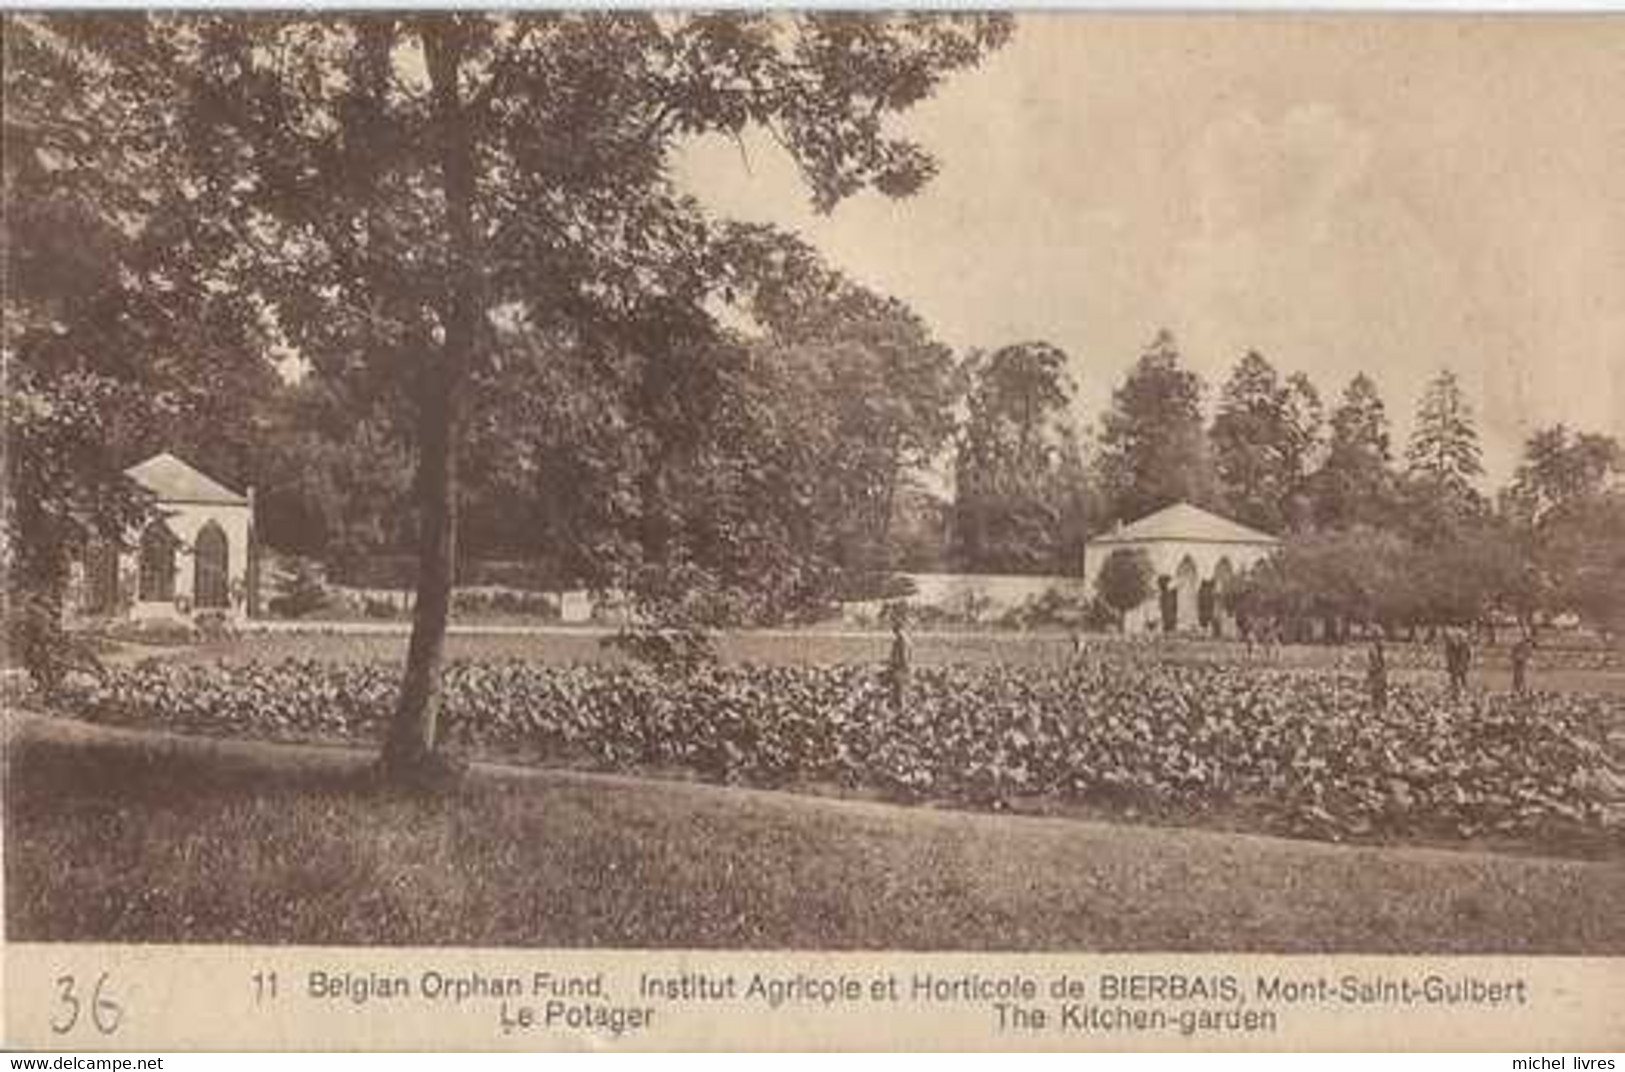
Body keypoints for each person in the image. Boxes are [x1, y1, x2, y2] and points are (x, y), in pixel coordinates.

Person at [885, 610, 912, 712]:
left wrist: (899, 666)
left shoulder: (901, 639)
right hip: (902, 667)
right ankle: (900, 707)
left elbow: (904, 656)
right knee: (899, 689)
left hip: (900, 668)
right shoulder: (905, 638)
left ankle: (901, 708)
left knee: (899, 689)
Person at [1366, 634, 1388, 711]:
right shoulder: (1374, 650)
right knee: (1377, 690)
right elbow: (1375, 663)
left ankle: (1379, 706)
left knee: (1379, 690)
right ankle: (1378, 706)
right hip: (1377, 673)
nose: (1382, 641)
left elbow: (1379, 663)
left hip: (1379, 673)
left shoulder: (1377, 650)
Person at [1510, 631, 1534, 696]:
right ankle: (1517, 691)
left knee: (1525, 678)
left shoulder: (1529, 648)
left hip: (1524, 664)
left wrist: (1528, 662)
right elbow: (1513, 655)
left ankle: (1525, 690)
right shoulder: (1518, 646)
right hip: (1519, 664)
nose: (1529, 644)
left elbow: (1529, 657)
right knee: (1518, 677)